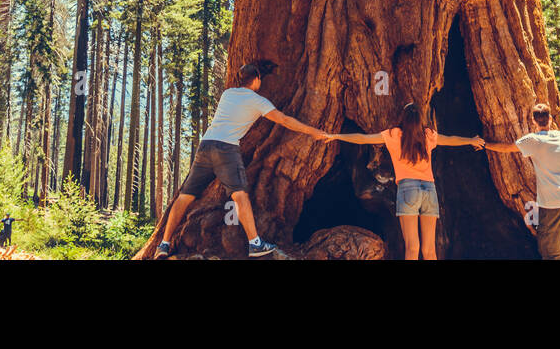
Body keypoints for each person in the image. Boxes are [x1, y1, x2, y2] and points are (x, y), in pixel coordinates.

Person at [157, 60, 329, 258]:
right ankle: (255, 244)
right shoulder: (257, 101)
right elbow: (284, 120)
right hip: (226, 149)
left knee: (185, 197)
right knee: (240, 195)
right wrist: (314, 132)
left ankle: (164, 244)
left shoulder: (227, 94)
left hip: (205, 145)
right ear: (256, 80)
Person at [328, 102, 484, 260]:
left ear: (403, 118)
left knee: (412, 247)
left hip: (408, 189)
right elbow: (450, 139)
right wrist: (471, 140)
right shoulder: (427, 135)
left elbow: (363, 139)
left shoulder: (394, 135)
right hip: (429, 191)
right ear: (419, 120)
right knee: (430, 250)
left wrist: (336, 136)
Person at [484, 103, 560, 259]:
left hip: (552, 205)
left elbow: (506, 148)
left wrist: (485, 145)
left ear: (533, 121)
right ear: (550, 118)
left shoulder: (533, 141)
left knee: (551, 254)